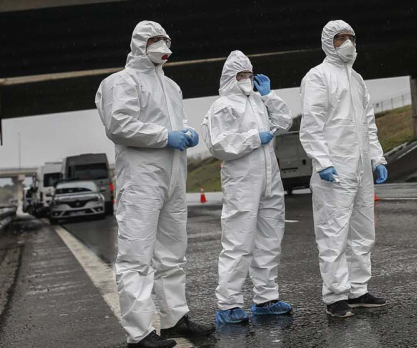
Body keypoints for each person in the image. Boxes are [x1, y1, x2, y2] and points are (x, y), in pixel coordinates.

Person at [95, 21, 215, 348]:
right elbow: (120, 125)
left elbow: (178, 121)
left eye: (164, 39)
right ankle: (139, 334)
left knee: (173, 254)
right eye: (154, 40)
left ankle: (175, 318)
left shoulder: (172, 86)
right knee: (137, 257)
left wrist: (187, 132)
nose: (161, 45)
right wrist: (166, 136)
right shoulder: (120, 82)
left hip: (174, 178)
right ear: (138, 44)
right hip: (141, 179)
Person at [299, 20, 390, 318]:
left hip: (361, 167)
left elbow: (368, 123)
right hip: (335, 170)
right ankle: (335, 295)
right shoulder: (318, 77)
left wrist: (377, 158)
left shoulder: (357, 79)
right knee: (333, 232)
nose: (348, 43)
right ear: (328, 42)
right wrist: (322, 162)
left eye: (351, 37)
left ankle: (358, 289)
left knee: (364, 231)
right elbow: (311, 125)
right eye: (341, 38)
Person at [200, 50, 294, 327]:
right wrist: (254, 137)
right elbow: (220, 145)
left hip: (270, 178)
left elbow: (284, 122)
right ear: (230, 77)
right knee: (238, 242)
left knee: (270, 238)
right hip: (242, 180)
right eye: (241, 75)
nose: (247, 79)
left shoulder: (258, 101)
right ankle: (228, 304)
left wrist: (269, 96)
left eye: (250, 75)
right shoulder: (222, 106)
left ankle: (266, 298)